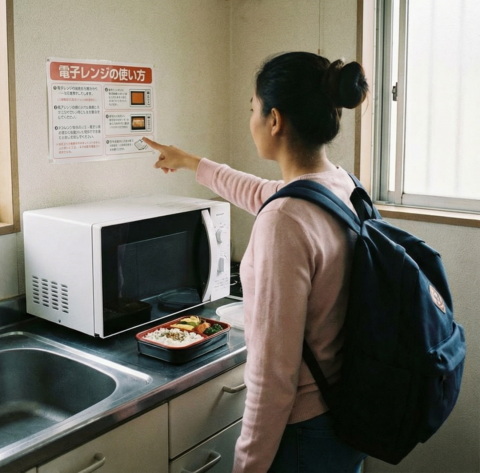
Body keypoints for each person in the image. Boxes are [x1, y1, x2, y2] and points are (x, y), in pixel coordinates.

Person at [143, 52, 369, 473]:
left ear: (275, 120)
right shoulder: (341, 184)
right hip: (346, 413)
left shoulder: (284, 221)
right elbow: (266, 192)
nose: (250, 119)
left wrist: (247, 466)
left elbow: (273, 377)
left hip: (304, 432)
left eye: (252, 108)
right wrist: (192, 162)